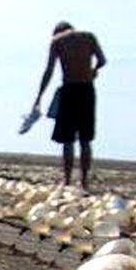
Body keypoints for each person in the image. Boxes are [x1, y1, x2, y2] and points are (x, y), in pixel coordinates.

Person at [32, 22, 106, 191]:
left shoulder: (58, 41)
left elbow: (49, 70)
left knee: (67, 139)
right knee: (85, 139)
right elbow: (102, 60)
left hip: (69, 89)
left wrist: (39, 96)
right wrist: (93, 70)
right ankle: (84, 180)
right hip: (87, 89)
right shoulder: (89, 37)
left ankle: (67, 180)